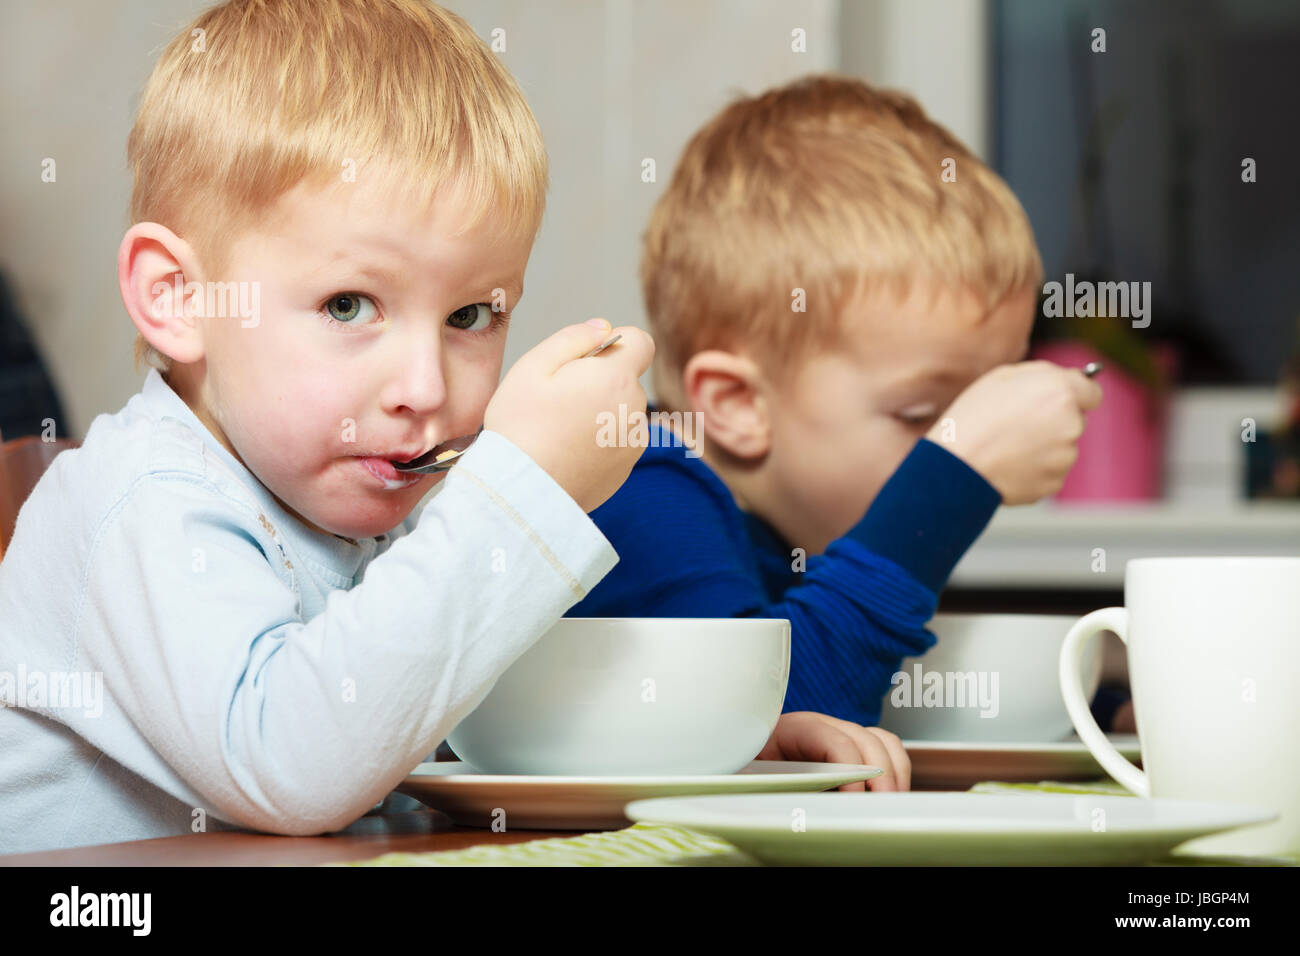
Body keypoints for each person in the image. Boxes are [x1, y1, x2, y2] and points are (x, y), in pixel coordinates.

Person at [571, 75, 1112, 730]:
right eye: (921, 416)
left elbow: (872, 681)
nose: (954, 436)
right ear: (737, 403)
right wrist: (952, 478)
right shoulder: (642, 489)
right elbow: (759, 726)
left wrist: (1105, 709)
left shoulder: (791, 528)